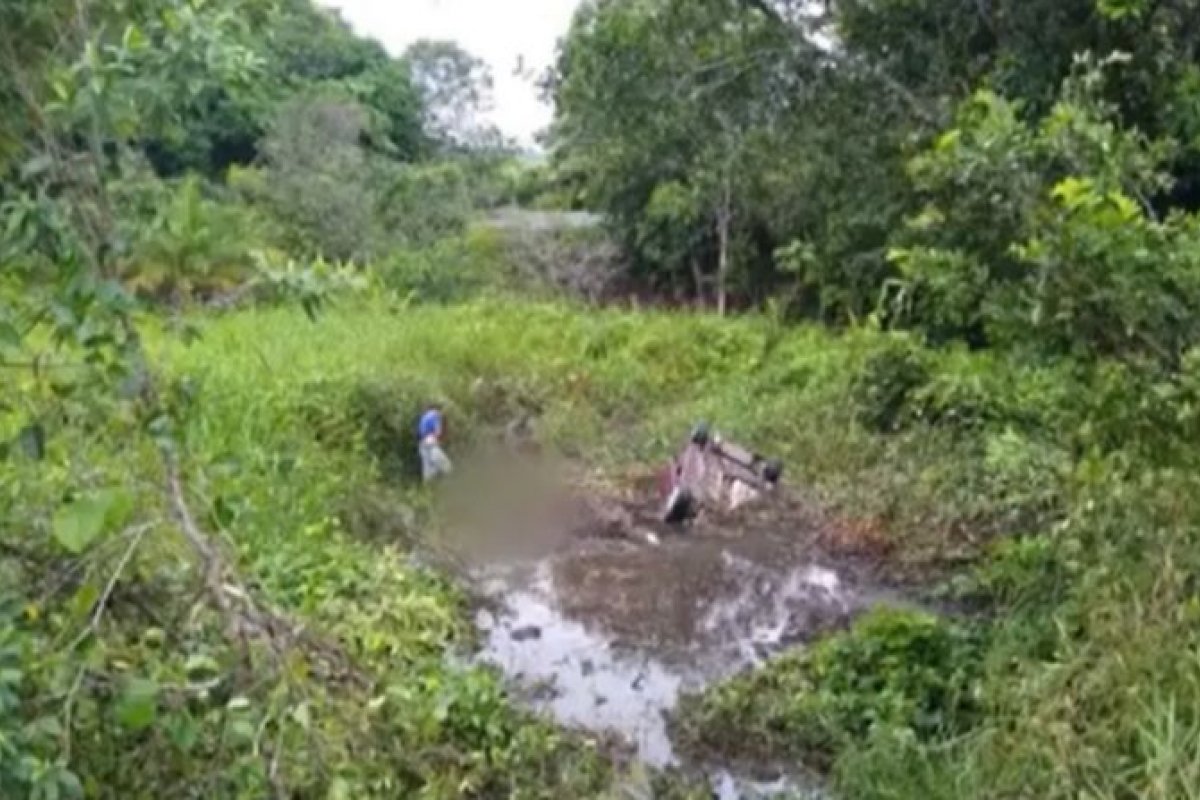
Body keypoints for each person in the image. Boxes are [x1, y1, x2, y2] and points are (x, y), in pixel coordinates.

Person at [417, 402, 453, 483]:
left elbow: (420, 433)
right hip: (431, 443)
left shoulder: (424, 417)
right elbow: (438, 432)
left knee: (428, 472)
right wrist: (441, 439)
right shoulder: (436, 415)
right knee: (447, 467)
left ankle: (428, 491)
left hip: (422, 444)